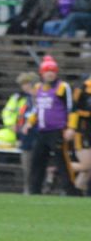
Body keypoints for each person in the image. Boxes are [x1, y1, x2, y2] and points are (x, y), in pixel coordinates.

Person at [25, 55, 79, 196]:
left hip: (57, 131)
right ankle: (34, 191)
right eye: (47, 71)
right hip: (42, 132)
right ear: (41, 73)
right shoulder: (38, 88)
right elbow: (37, 109)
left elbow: (71, 108)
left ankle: (71, 191)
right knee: (37, 162)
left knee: (63, 163)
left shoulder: (63, 87)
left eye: (53, 70)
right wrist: (29, 123)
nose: (50, 73)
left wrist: (71, 128)